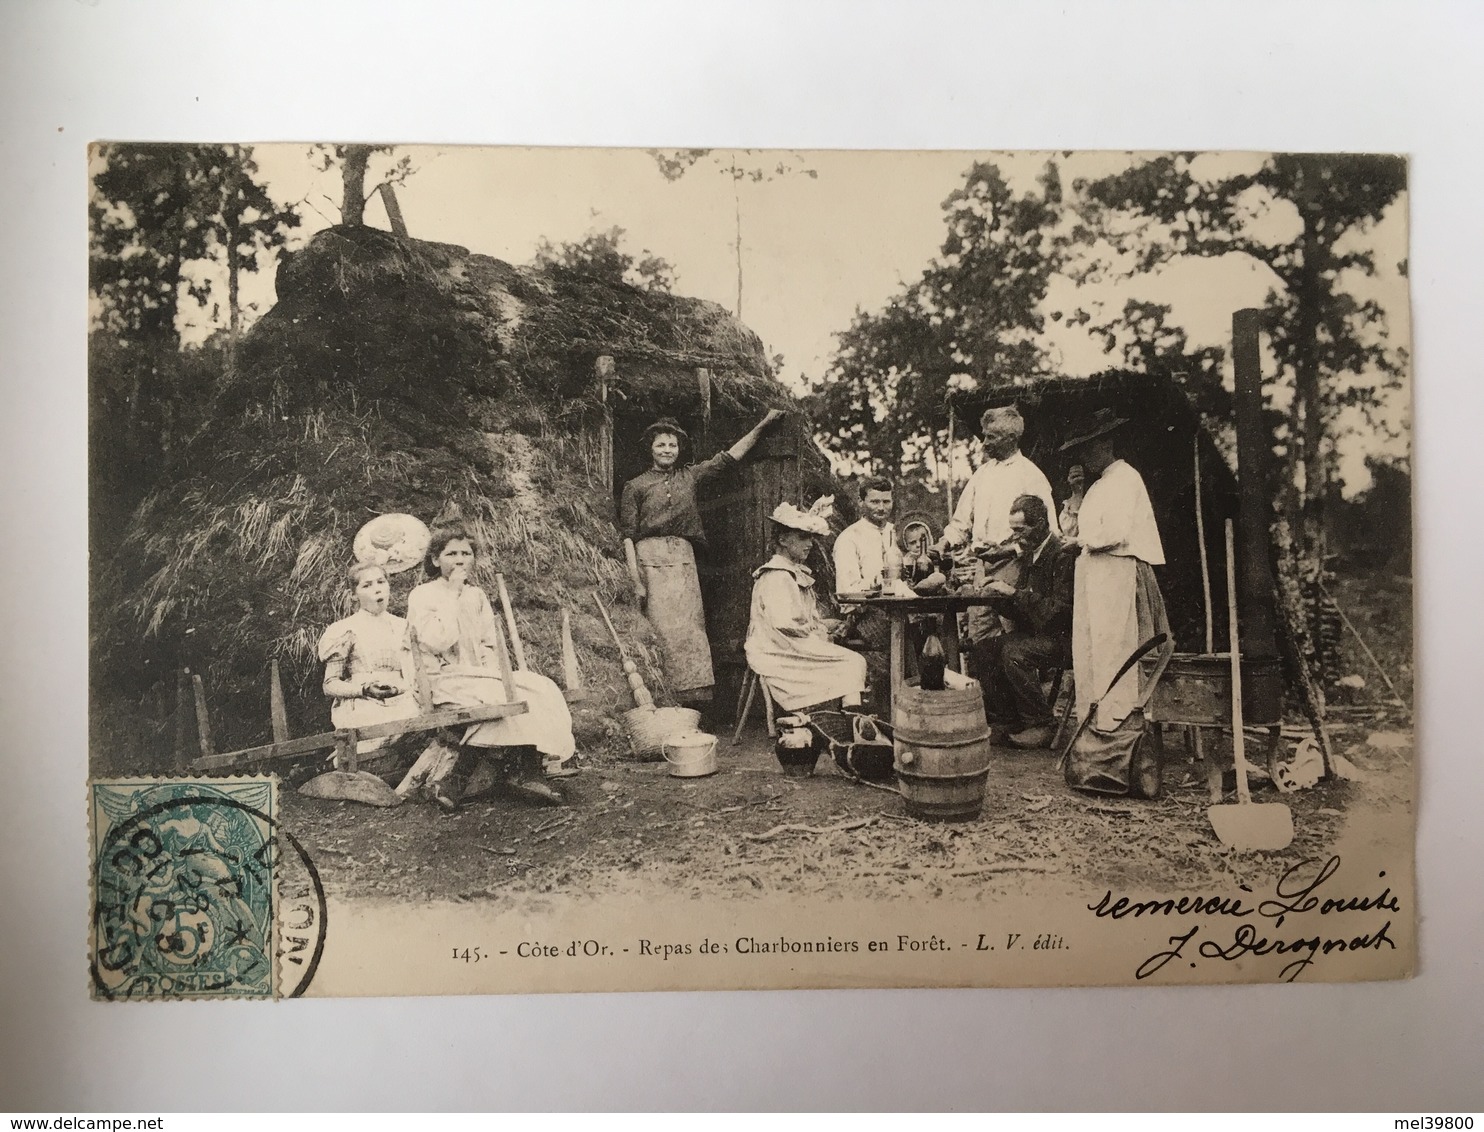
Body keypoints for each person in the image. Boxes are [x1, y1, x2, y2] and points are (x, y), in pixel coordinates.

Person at [400, 527, 577, 811]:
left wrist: (493, 674)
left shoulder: (477, 595)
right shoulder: (423, 595)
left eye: (466, 554)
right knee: (497, 699)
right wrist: (453, 593)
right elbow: (436, 641)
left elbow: (488, 645)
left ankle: (529, 769)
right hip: (440, 679)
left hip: (476, 676)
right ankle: (466, 779)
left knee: (539, 687)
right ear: (435, 560)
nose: (459, 560)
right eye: (451, 554)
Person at [620, 408, 786, 704]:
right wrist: (636, 580)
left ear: (679, 449)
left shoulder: (690, 477)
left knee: (690, 632)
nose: (667, 450)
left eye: (673, 445)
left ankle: (694, 704)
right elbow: (629, 537)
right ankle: (663, 699)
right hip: (650, 561)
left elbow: (730, 458)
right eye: (661, 444)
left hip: (683, 560)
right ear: (650, 449)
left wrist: (764, 424)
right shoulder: (635, 486)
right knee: (660, 633)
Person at [1062, 409, 1171, 731]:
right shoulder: (1098, 486)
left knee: (1114, 649)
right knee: (1089, 649)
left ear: (1107, 443)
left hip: (1116, 572)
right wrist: (1077, 496)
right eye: (1081, 449)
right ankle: (1092, 724)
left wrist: (1080, 540)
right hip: (1093, 573)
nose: (1084, 456)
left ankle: (1117, 726)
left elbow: (1115, 533)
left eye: (1089, 447)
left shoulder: (1125, 478)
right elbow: (1073, 527)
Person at [938, 405, 1059, 643]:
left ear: (1012, 438)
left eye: (991, 437)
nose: (984, 443)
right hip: (983, 568)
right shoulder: (982, 474)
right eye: (984, 435)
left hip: (1018, 568)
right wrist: (944, 541)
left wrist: (1010, 550)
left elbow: (1049, 533)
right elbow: (961, 521)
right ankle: (983, 681)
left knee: (1013, 633)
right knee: (980, 634)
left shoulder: (1031, 476)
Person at [971, 495, 1077, 749]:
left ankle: (1042, 723)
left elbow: (1060, 612)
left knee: (1013, 652)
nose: (1016, 536)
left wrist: (1013, 593)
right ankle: (1008, 720)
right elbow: (1022, 609)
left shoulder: (1062, 555)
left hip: (1064, 639)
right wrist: (995, 597)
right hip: (1039, 635)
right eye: (1014, 530)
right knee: (984, 649)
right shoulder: (1032, 553)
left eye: (1021, 529)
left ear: (1040, 524)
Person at [745, 502, 867, 713]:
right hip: (777, 650)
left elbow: (798, 618)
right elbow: (786, 624)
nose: (809, 544)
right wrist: (820, 631)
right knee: (853, 662)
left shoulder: (790, 573)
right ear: (782, 540)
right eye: (802, 537)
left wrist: (825, 625)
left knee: (850, 659)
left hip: (790, 643)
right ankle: (846, 719)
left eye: (810, 537)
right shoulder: (777, 576)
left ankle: (844, 719)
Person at [317, 561, 423, 760]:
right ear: (354, 595)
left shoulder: (404, 626)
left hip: (404, 698)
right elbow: (329, 685)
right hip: (364, 703)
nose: (377, 589)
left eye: (381, 582)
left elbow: (417, 671)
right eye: (367, 585)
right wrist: (364, 689)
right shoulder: (345, 629)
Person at [832, 475, 896, 714]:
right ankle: (886, 711)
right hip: (863, 614)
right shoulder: (849, 538)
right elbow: (846, 592)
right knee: (895, 638)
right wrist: (877, 584)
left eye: (886, 502)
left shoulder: (895, 533)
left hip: (898, 608)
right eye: (874, 502)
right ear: (861, 502)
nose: (881, 508)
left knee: (930, 630)